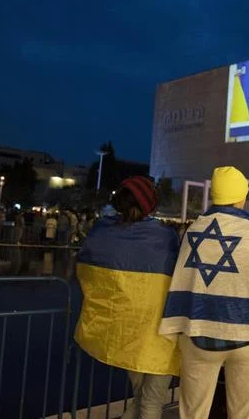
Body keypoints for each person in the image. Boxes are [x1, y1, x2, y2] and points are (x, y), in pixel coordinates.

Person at [159, 166, 249, 419]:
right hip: (246, 335)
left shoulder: (193, 232)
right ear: (241, 196)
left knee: (194, 412)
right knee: (244, 412)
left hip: (198, 333)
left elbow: (184, 278)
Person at [74, 176, 180, 419]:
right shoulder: (164, 237)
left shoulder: (102, 232)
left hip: (126, 331)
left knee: (141, 394)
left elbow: (84, 269)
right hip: (158, 330)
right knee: (152, 401)